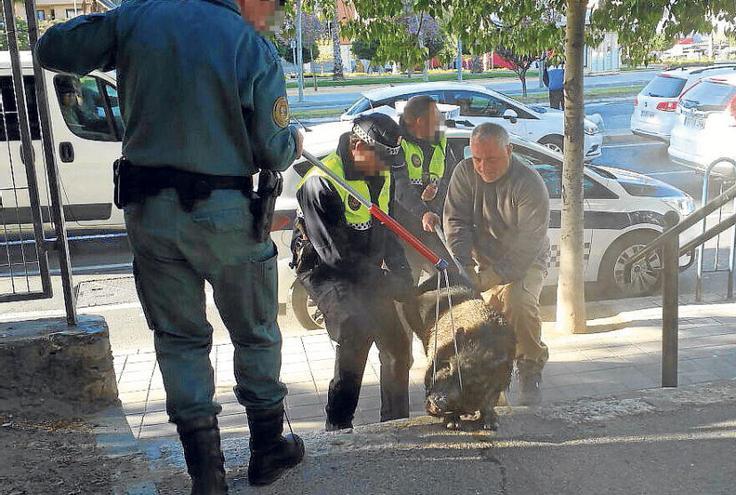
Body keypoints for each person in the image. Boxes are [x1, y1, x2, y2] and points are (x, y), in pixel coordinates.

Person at [36, 0, 306, 492]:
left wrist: (113, 20)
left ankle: (207, 474)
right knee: (255, 331)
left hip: (151, 211)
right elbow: (272, 149)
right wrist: (295, 141)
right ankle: (267, 449)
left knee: (179, 340)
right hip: (226, 216)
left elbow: (52, 48)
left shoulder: (135, 18)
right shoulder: (249, 42)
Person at [293, 113, 413, 432]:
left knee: (398, 346)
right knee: (356, 334)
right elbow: (335, 257)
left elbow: (388, 230)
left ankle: (396, 424)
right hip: (325, 268)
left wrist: (402, 273)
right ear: (358, 146)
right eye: (382, 159)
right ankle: (338, 426)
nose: (386, 167)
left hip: (364, 265)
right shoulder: (320, 183)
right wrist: (387, 283)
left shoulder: (378, 173)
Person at [443, 123, 551, 406]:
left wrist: (494, 277)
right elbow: (456, 222)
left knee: (518, 302)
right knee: (481, 318)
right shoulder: (464, 173)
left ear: (509, 151)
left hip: (527, 261)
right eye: (477, 158)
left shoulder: (529, 183)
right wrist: (464, 266)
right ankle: (491, 380)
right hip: (482, 260)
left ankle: (530, 367)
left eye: (491, 159)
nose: (482, 166)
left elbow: (528, 242)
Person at [393, 95, 459, 283]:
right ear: (421, 122)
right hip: (404, 231)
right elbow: (399, 186)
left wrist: (438, 188)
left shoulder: (441, 143)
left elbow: (452, 178)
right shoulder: (398, 145)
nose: (441, 118)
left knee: (450, 277)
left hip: (433, 227)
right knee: (406, 285)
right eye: (436, 114)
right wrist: (422, 211)